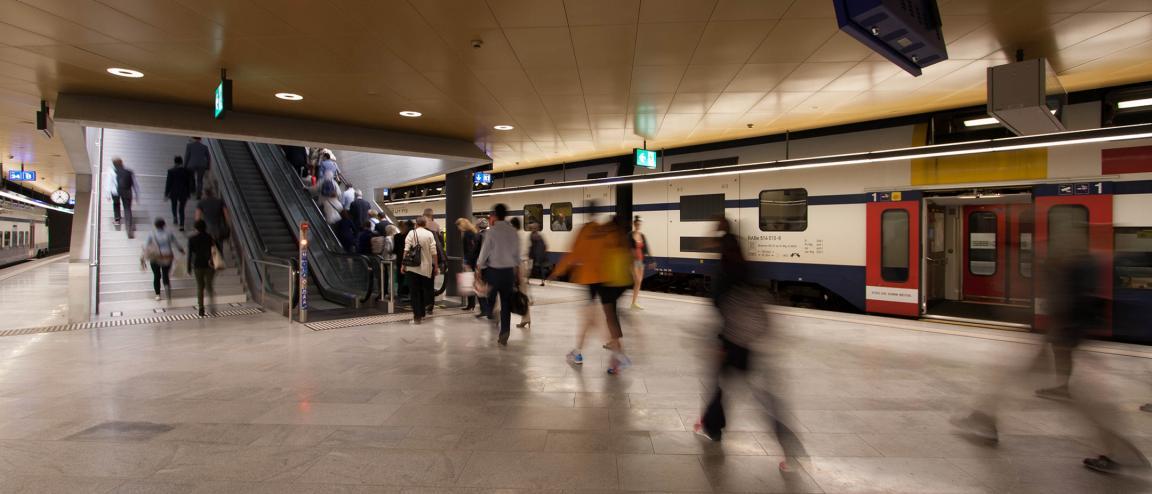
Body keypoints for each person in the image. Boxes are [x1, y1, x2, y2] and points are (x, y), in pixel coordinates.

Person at [695, 217, 807, 479]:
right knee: (740, 390)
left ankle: (713, 426)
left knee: (732, 388)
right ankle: (711, 424)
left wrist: (720, 342)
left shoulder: (723, 273)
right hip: (751, 338)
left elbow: (719, 307)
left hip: (732, 339)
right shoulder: (744, 266)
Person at [551, 202, 632, 372]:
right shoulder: (603, 231)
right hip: (605, 279)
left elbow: (573, 254)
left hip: (589, 279)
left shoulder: (585, 231)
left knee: (592, 319)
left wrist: (556, 272)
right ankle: (587, 353)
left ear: (587, 213)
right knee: (600, 318)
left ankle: (615, 355)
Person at [476, 204, 520, 346]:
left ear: (495, 215)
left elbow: (485, 252)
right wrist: (517, 272)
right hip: (508, 272)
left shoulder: (491, 232)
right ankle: (504, 331)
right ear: (505, 215)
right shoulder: (513, 231)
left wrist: (479, 267)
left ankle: (492, 313)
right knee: (506, 303)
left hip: (494, 272)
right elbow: (517, 255)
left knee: (490, 296)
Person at [402, 216, 438, 324]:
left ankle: (417, 317)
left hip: (413, 267)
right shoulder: (429, 234)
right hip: (426, 268)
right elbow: (434, 252)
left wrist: (403, 265)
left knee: (414, 293)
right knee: (423, 291)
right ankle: (422, 313)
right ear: (425, 224)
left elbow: (406, 250)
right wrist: (435, 266)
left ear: (416, 224)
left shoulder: (411, 233)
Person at [142, 218, 183, 301]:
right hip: (167, 256)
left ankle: (158, 295)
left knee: (156, 276)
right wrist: (181, 250)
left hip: (155, 257)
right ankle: (168, 292)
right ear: (164, 225)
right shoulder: (169, 233)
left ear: (155, 225)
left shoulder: (151, 234)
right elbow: (176, 243)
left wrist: (143, 257)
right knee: (165, 275)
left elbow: (146, 246)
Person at [187, 219, 216, 317]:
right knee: (209, 286)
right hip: (209, 264)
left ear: (196, 228)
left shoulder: (191, 239)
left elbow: (190, 254)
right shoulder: (210, 237)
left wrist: (188, 267)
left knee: (200, 286)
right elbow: (215, 250)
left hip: (197, 265)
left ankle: (201, 308)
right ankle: (212, 306)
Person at [511, 217, 532, 329]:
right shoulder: (524, 234)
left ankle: (525, 318)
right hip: (526, 264)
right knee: (523, 293)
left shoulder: (515, 236)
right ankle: (526, 318)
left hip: (519, 265)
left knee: (520, 294)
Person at [629, 216, 653, 309]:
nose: (638, 225)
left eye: (639, 224)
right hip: (633, 261)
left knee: (639, 282)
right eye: (637, 224)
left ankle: (634, 303)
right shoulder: (630, 235)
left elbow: (646, 248)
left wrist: (652, 260)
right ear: (634, 224)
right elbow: (628, 248)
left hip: (641, 261)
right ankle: (633, 303)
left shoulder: (642, 235)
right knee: (637, 280)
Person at [164, 156, 193, 231]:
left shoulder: (171, 171)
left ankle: (175, 218)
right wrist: (189, 193)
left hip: (174, 192)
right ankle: (182, 225)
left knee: (174, 205)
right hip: (184, 192)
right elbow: (189, 183)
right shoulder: (187, 171)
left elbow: (168, 183)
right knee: (181, 209)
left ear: (175, 162)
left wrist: (166, 194)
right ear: (182, 162)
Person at [194, 186, 228, 252]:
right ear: (212, 193)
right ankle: (219, 259)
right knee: (219, 247)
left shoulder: (201, 203)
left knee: (207, 247)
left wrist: (197, 228)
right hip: (218, 228)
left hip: (207, 229)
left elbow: (197, 217)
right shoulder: (220, 202)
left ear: (204, 194)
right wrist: (227, 225)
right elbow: (226, 215)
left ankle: (210, 259)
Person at [457, 218, 480, 311]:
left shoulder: (467, 234)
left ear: (462, 225)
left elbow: (469, 250)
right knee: (472, 283)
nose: (458, 228)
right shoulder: (473, 232)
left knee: (469, 283)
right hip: (474, 260)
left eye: (458, 226)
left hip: (470, 261)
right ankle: (472, 304)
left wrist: (467, 262)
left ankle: (471, 304)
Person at [112, 158, 139, 238]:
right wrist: (137, 194)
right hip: (127, 191)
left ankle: (117, 219)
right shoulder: (129, 172)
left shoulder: (113, 172)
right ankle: (129, 229)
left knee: (116, 204)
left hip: (116, 191)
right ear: (122, 163)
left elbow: (110, 182)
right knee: (127, 209)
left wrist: (108, 193)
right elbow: (135, 184)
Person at [393, 220, 413, 300]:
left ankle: (400, 292)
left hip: (399, 259)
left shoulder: (397, 236)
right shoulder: (411, 236)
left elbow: (395, 249)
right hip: (410, 259)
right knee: (410, 276)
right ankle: (409, 292)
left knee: (400, 276)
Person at [529, 222, 548, 286]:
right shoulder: (539, 235)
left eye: (534, 228)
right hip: (539, 254)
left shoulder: (534, 235)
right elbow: (544, 245)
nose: (532, 229)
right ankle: (542, 281)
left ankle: (528, 280)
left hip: (536, 254)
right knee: (539, 268)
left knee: (531, 267)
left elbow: (533, 246)